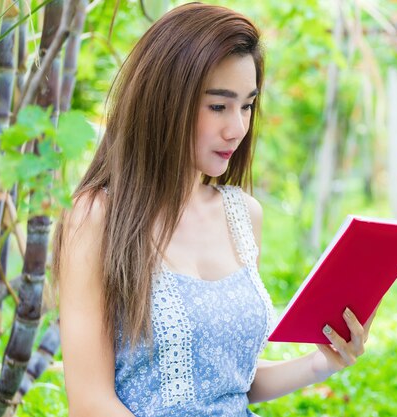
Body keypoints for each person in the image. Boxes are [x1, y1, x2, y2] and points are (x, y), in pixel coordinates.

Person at [53, 3, 376, 416]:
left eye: (247, 105)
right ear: (164, 102)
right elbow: (90, 403)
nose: (237, 128)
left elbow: (232, 380)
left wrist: (321, 362)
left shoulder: (243, 215)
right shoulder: (96, 217)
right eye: (219, 106)